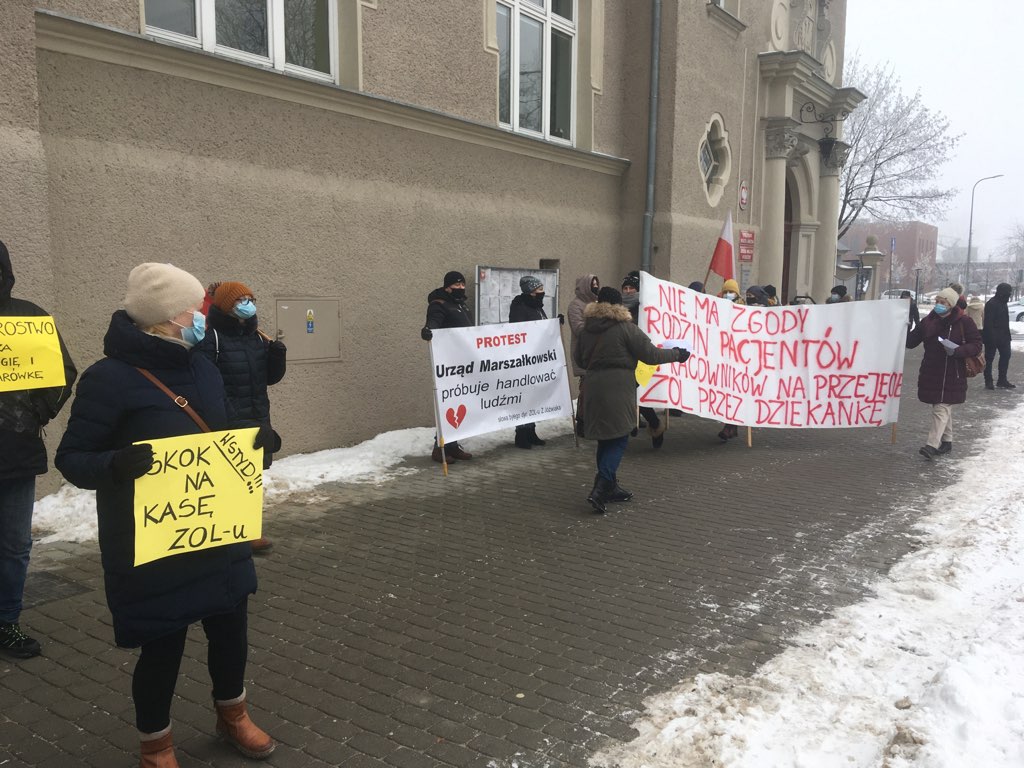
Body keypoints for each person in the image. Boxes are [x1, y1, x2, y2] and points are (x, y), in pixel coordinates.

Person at [55, 263, 275, 767]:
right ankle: (156, 745)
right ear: (165, 319)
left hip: (216, 529)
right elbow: (72, 459)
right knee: (162, 649)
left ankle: (232, 714)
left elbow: (218, 437)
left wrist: (256, 442)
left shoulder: (201, 365)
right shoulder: (108, 379)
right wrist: (116, 464)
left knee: (230, 631)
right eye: (195, 310)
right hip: (154, 542)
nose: (204, 316)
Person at [0, 240, 77, 659]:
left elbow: (63, 372)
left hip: (15, 453)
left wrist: (36, 413)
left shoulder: (29, 317)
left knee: (13, 546)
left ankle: (7, 622)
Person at [574, 287, 689, 513]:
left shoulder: (587, 329)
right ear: (619, 306)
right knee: (619, 438)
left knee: (606, 438)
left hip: (594, 386)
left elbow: (579, 358)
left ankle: (612, 486)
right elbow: (651, 355)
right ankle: (601, 487)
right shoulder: (626, 328)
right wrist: (677, 354)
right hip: (618, 388)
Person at [195, 281, 286, 553]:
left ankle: (248, 530)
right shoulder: (212, 340)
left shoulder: (257, 338)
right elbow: (206, 383)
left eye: (250, 298)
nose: (247, 304)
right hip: (227, 419)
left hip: (257, 415)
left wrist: (277, 357)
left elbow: (269, 379)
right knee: (224, 478)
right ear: (225, 306)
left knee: (250, 478)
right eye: (240, 300)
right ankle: (221, 531)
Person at [906, 286, 982, 460]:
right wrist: (904, 326)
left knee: (941, 407)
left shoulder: (964, 322)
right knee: (940, 406)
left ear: (951, 304)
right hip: (932, 370)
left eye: (943, 302)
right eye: (937, 302)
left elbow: (976, 345)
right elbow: (911, 342)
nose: (939, 305)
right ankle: (947, 441)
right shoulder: (928, 321)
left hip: (952, 372)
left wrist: (957, 351)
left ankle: (931, 445)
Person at [421, 271, 473, 462]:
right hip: (448, 364)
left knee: (459, 404)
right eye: (456, 285)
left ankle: (453, 445)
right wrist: (428, 330)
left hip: (464, 362)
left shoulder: (461, 305)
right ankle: (440, 447)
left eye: (462, 285)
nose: (460, 288)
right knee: (447, 404)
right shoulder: (439, 305)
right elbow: (433, 323)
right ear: (447, 287)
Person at [621, 271, 667, 448]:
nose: (628, 291)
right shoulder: (618, 309)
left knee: (640, 396)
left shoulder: (646, 308)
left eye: (632, 287)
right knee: (629, 396)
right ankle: (632, 425)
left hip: (644, 357)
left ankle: (654, 424)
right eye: (625, 288)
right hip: (625, 359)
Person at [509, 276, 549, 449]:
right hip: (526, 358)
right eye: (539, 290)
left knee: (534, 396)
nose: (542, 293)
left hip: (537, 357)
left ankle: (531, 430)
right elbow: (518, 331)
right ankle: (521, 433)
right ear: (530, 292)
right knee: (524, 397)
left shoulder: (538, 307)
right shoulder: (520, 306)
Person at [568, 274, 600, 435]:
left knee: (595, 391)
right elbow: (579, 328)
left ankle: (592, 421)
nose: (595, 286)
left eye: (596, 284)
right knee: (586, 390)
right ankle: (582, 422)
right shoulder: (576, 305)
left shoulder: (596, 303)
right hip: (584, 353)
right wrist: (597, 326)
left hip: (597, 352)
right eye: (592, 284)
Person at [715, 280, 744, 441]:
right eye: (725, 292)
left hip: (739, 359)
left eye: (730, 292)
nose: (727, 295)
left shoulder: (744, 309)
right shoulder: (717, 306)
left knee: (735, 393)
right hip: (723, 357)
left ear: (736, 293)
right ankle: (731, 427)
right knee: (726, 394)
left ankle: (729, 427)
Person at [983, 282, 1015, 390]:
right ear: (1001, 292)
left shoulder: (1003, 302)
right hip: (992, 337)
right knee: (989, 359)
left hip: (1004, 337)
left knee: (1006, 356)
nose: (1009, 294)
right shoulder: (991, 303)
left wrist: (1007, 336)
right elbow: (988, 323)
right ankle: (988, 381)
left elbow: (1004, 321)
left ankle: (1002, 380)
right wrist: (991, 338)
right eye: (1008, 292)